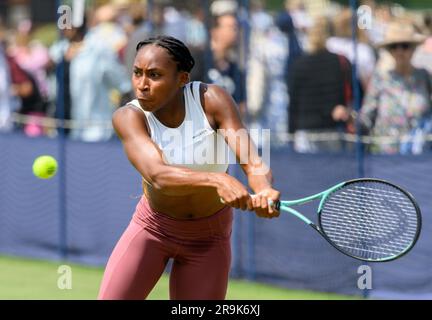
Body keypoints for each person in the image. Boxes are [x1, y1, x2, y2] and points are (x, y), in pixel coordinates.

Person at [97, 36, 280, 300]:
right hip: (153, 229)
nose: (142, 85)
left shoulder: (212, 99)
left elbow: (252, 160)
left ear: (182, 78)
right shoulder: (128, 117)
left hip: (210, 238)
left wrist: (264, 189)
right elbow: (158, 175)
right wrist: (218, 181)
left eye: (154, 75)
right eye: (137, 73)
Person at [360, 21, 431, 154]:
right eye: (394, 46)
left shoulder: (424, 77)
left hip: (421, 154)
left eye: (405, 46)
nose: (399, 51)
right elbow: (367, 116)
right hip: (388, 154)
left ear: (413, 48)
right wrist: (352, 119)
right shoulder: (380, 79)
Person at [288, 17, 353, 153]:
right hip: (332, 128)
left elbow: (293, 102)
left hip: (305, 130)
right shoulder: (340, 62)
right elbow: (351, 93)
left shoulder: (298, 64)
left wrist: (290, 133)